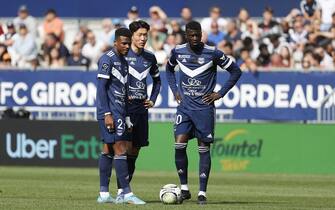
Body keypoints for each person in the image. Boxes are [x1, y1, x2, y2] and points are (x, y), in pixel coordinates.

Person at [166, 21, 242, 205]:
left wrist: (220, 93)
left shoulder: (213, 53)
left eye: (197, 35)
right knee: (179, 144)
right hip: (184, 108)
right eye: (191, 35)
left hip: (204, 109)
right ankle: (184, 189)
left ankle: (202, 192)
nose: (194, 39)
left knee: (203, 149)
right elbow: (168, 69)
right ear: (186, 35)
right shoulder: (177, 51)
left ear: (201, 34)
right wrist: (175, 90)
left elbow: (236, 71)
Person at [96, 27, 145, 205]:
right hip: (110, 111)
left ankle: (103, 195)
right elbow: (101, 89)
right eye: (123, 43)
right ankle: (126, 193)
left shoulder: (124, 62)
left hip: (120, 111)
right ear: (115, 42)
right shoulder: (106, 60)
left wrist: (126, 117)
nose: (126, 46)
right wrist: (107, 113)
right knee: (121, 149)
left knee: (108, 150)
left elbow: (123, 90)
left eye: (128, 43)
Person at [115, 20, 161, 197]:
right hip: (125, 109)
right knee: (125, 148)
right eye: (139, 35)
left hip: (142, 109)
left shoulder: (150, 57)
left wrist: (153, 99)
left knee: (135, 150)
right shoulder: (122, 55)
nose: (143, 38)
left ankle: (122, 191)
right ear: (132, 36)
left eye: (145, 35)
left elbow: (157, 80)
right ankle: (122, 191)